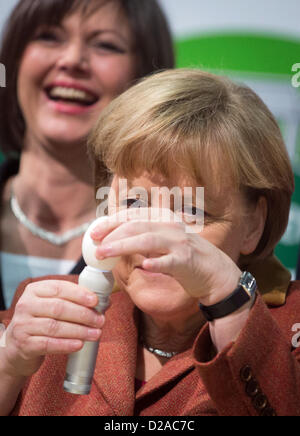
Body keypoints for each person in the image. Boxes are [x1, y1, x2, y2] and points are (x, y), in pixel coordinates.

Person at [1, 68, 300, 416]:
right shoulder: (42, 307)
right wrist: (8, 365)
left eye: (191, 210)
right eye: (133, 204)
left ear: (253, 224)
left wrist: (229, 303)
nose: (154, 237)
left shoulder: (288, 330)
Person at [0, 0, 174, 310]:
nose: (72, 60)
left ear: (145, 75)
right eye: (49, 37)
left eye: (105, 45)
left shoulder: (172, 234)